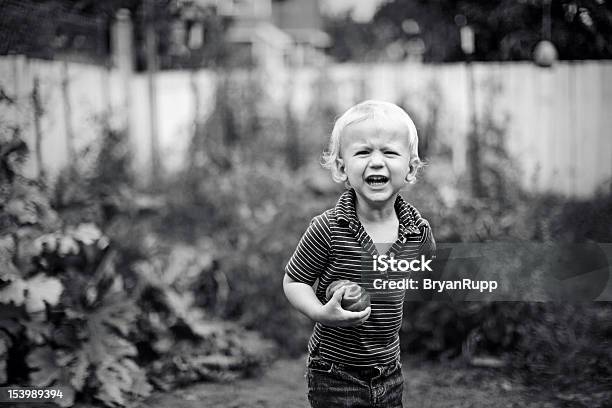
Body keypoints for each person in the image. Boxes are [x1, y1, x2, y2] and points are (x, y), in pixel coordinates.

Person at [283, 100, 436, 408]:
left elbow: (426, 267)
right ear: (341, 167)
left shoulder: (418, 232)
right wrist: (319, 312)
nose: (377, 162)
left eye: (390, 152)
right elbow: (294, 281)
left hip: (389, 368)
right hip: (334, 371)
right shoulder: (328, 228)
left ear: (410, 168)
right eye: (363, 152)